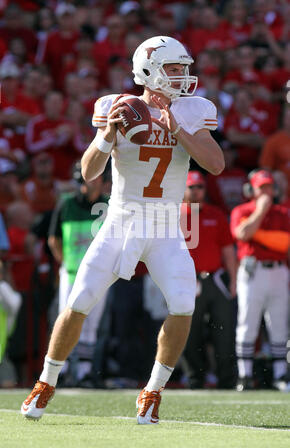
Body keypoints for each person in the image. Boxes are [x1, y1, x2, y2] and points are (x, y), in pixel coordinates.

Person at [21, 35, 224, 423]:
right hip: (121, 218)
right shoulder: (116, 106)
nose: (183, 76)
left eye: (184, 67)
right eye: (174, 68)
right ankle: (46, 381)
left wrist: (177, 127)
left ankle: (152, 391)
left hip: (167, 223)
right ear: (149, 71)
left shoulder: (193, 110)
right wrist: (106, 136)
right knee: (79, 300)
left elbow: (215, 164)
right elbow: (89, 172)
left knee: (183, 304)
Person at [47, 162, 109, 387]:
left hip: (99, 274)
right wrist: (65, 264)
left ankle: (83, 371)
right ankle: (60, 370)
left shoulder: (109, 205)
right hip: (72, 272)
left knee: (91, 324)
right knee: (65, 318)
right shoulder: (67, 205)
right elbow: (54, 239)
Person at [230, 169, 290, 391]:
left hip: (278, 270)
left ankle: (280, 375)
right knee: (247, 323)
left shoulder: (282, 213)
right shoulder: (241, 210)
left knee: (279, 325)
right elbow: (242, 234)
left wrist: (258, 231)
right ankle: (244, 376)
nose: (266, 191)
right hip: (252, 271)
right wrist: (261, 210)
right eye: (261, 187)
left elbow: (285, 244)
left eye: (269, 186)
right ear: (251, 190)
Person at [181, 171, 238, 389]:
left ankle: (226, 380)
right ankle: (195, 377)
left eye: (200, 187)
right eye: (191, 187)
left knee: (223, 331)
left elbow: (227, 251)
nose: (196, 191)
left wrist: (233, 280)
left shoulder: (216, 214)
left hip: (215, 279)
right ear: (183, 189)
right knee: (190, 332)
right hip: (187, 280)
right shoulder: (174, 215)